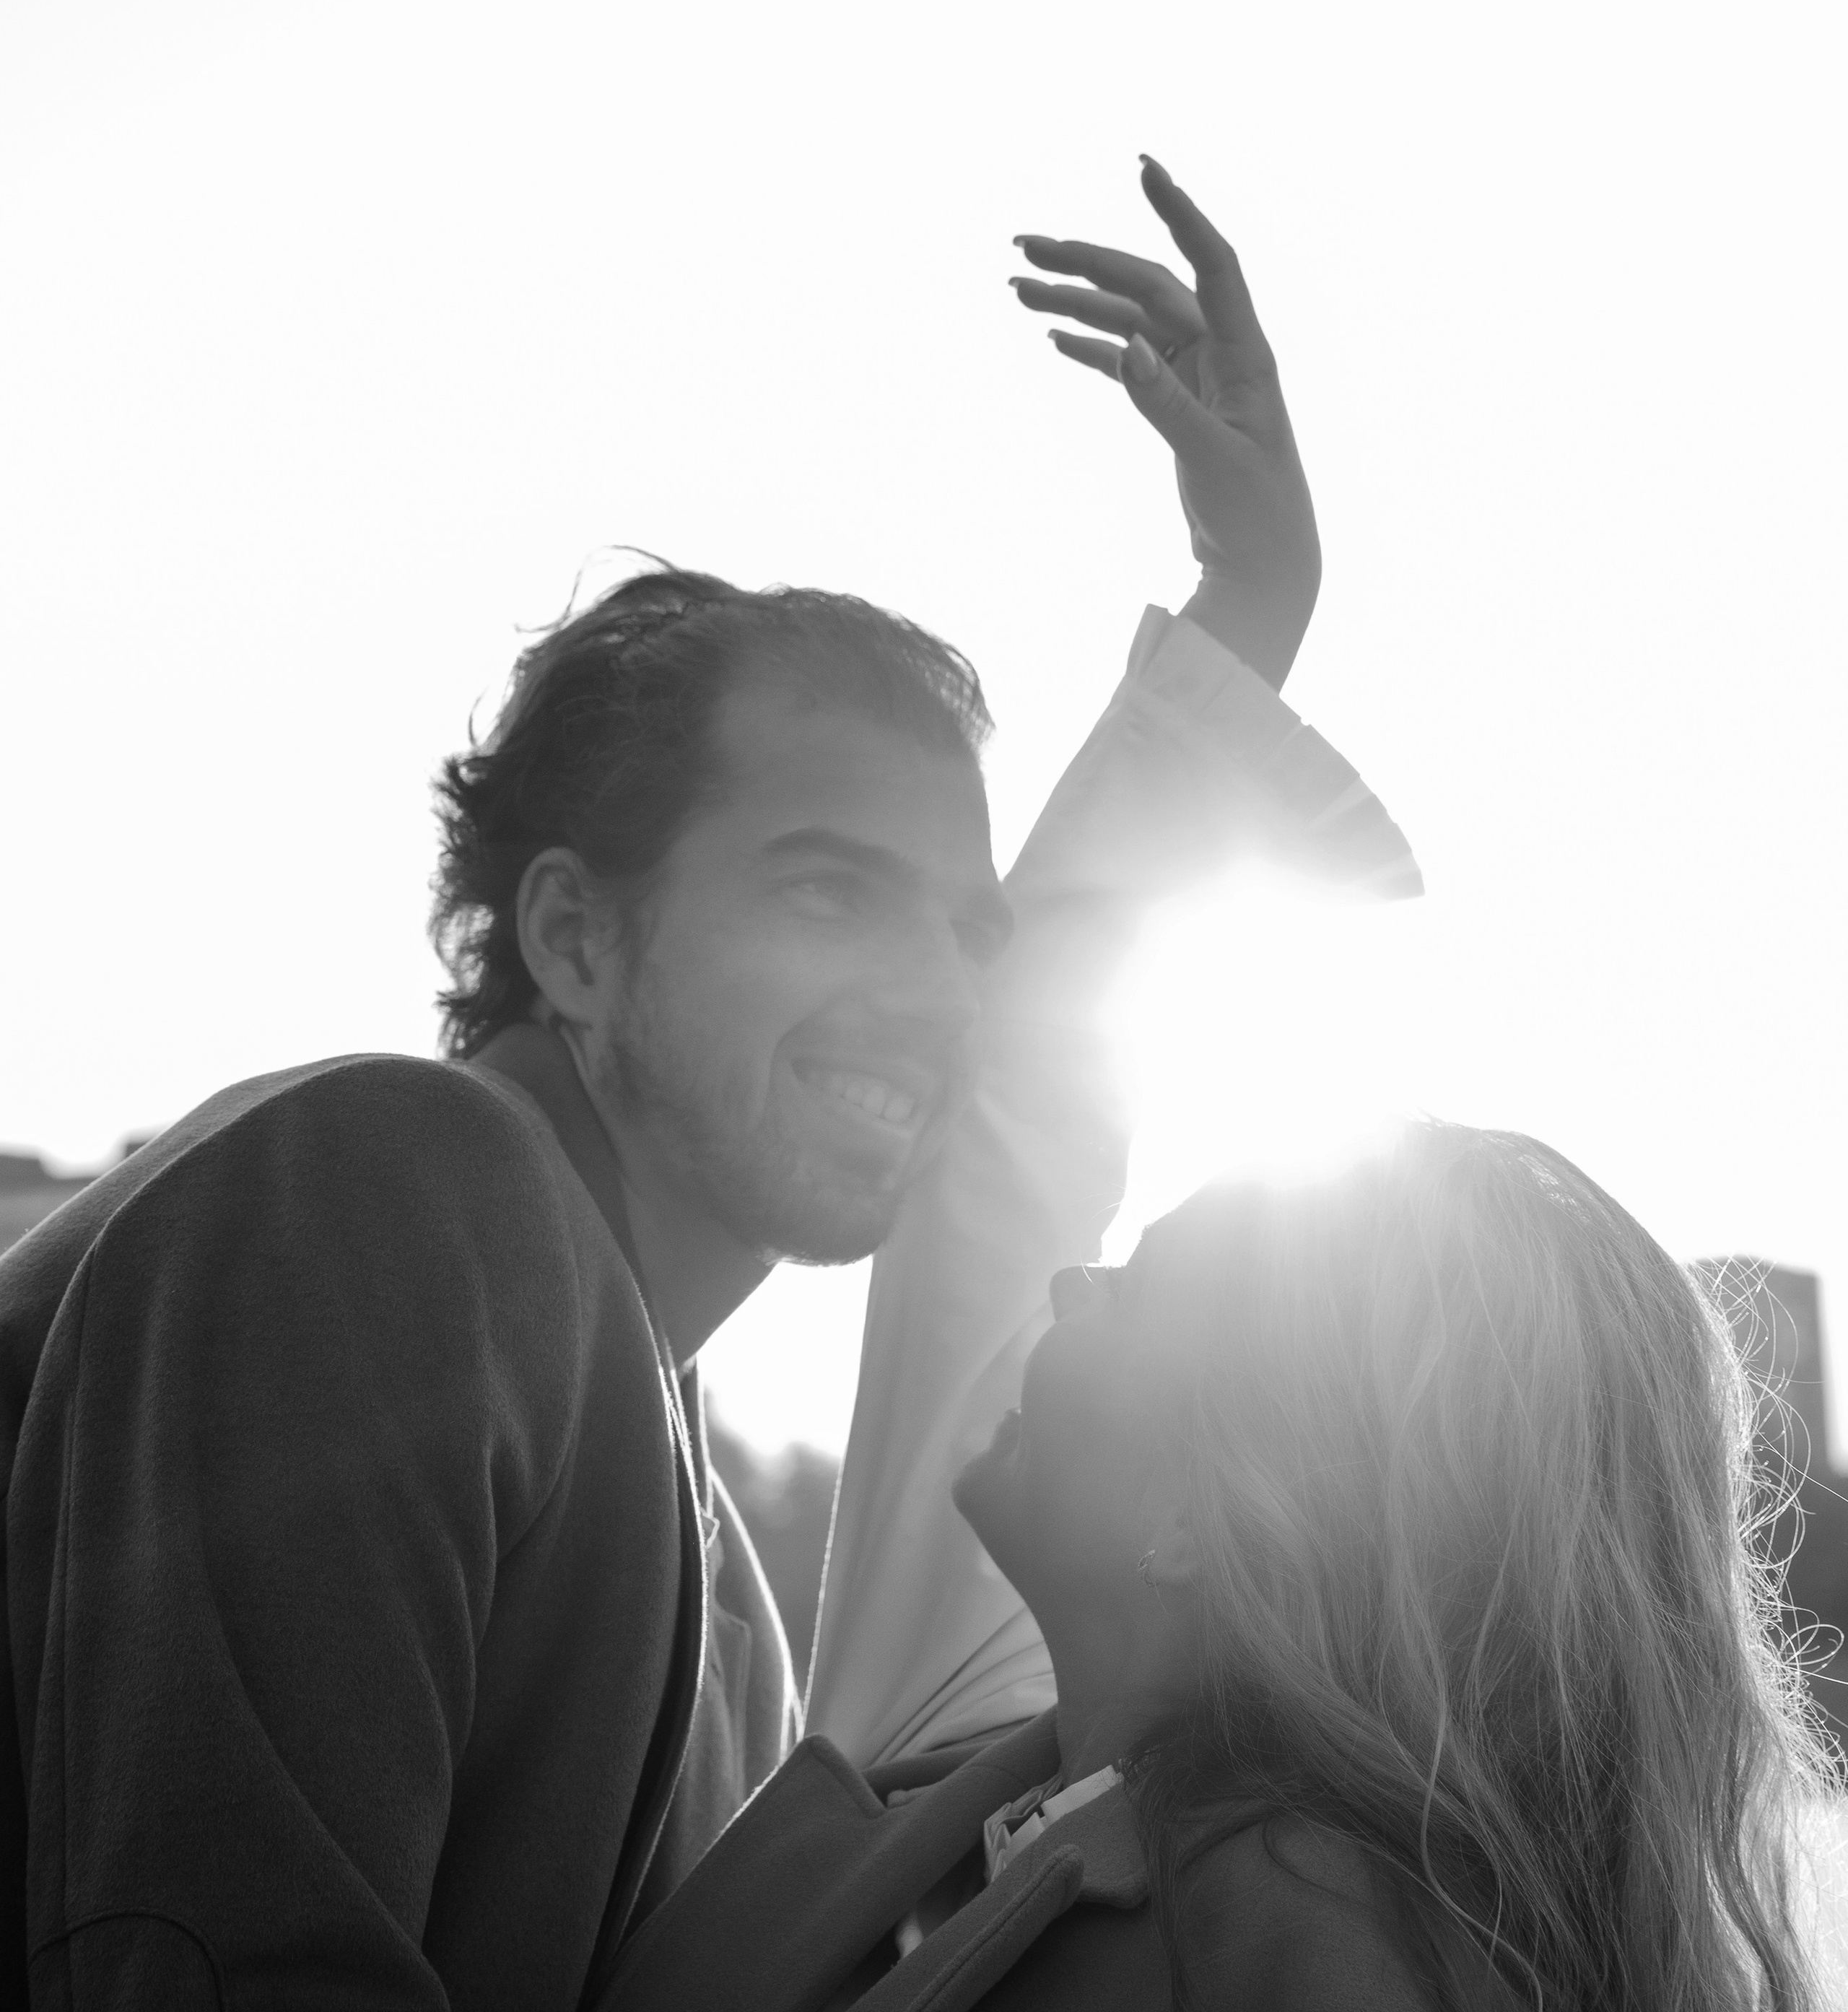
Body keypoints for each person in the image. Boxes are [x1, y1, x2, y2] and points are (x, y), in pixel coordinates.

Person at [0, 165, 1414, 2006]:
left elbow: (1018, 1102)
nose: (929, 989)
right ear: (575, 940)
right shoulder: (384, 1190)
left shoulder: (716, 1588)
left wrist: (1251, 609)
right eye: (827, 887)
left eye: (961, 930)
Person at [605, 1128, 1834, 2012]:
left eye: (1126, 1290)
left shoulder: (1320, 1951)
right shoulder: (987, 1805)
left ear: (1208, 1506)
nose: (1063, 1287)